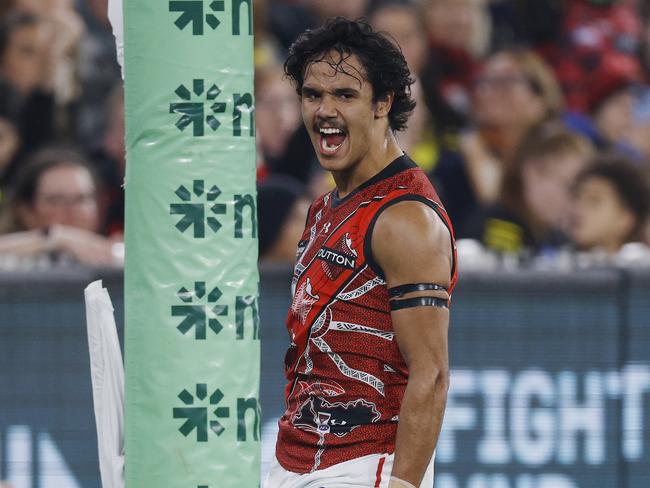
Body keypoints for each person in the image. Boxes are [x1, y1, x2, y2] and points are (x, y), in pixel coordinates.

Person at [264, 18, 457, 488]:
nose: (325, 110)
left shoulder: (407, 219)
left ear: (383, 102)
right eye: (313, 95)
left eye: (345, 96)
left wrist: (404, 483)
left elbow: (430, 375)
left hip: (366, 467)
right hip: (295, 461)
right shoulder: (321, 210)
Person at [463, 120, 593, 257]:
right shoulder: (497, 225)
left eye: (577, 192)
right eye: (567, 186)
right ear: (531, 172)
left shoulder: (558, 237)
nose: (572, 200)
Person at [0, 147, 123, 267]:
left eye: (82, 199)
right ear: (27, 211)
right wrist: (51, 238)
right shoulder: (13, 262)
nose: (72, 209)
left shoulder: (116, 256)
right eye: (56, 200)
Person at [571, 155, 650, 256]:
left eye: (594, 201)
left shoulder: (643, 266)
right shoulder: (557, 264)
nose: (578, 209)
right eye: (577, 198)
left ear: (625, 219)